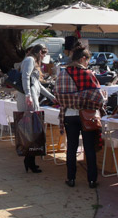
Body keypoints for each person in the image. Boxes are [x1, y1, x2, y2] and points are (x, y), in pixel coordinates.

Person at [54, 45, 105, 189]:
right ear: (83, 58)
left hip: (69, 115)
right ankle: (92, 181)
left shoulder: (62, 73)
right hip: (87, 115)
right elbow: (98, 98)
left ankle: (71, 179)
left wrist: (74, 99)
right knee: (89, 148)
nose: (88, 63)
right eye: (87, 60)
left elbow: (57, 96)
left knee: (71, 148)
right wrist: (85, 99)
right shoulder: (88, 74)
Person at [16, 44, 56, 173]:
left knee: (32, 131)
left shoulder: (31, 61)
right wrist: (28, 94)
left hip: (31, 99)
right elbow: (25, 77)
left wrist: (51, 96)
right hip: (29, 100)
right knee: (30, 131)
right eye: (43, 53)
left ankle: (30, 161)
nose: (44, 56)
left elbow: (37, 83)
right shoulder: (30, 60)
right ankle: (29, 161)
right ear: (39, 52)